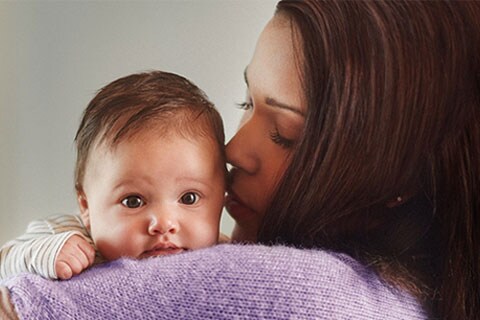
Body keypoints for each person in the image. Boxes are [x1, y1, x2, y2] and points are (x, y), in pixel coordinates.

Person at [1, 1, 479, 319]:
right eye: (246, 103)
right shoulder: (416, 294)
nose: (231, 152)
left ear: (396, 177)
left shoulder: (311, 293)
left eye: (284, 134)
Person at [0, 70, 226, 280]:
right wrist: (44, 256)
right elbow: (4, 262)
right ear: (86, 206)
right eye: (133, 201)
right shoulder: (62, 235)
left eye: (189, 198)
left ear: (222, 197)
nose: (164, 223)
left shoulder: (224, 253)